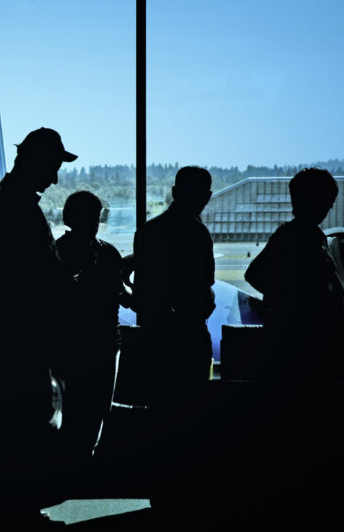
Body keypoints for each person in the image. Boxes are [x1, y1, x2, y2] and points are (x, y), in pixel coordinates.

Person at [243, 168, 344, 519]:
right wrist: (298, 303)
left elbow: (256, 275)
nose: (326, 207)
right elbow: (256, 275)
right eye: (324, 200)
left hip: (300, 344)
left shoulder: (302, 235)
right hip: (303, 347)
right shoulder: (299, 237)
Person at [0, 127, 77, 522]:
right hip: (27, 326)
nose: (54, 178)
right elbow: (39, 276)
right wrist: (75, 287)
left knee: (15, 412)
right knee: (27, 413)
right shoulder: (18, 205)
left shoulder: (1, 198)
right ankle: (19, 507)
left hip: (11, 320)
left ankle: (11, 502)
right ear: (36, 161)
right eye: (53, 167)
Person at [131, 165, 214, 514]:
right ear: (205, 197)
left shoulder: (150, 231)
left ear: (173, 191)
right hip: (188, 337)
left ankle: (161, 489)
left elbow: (144, 294)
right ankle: (185, 489)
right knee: (191, 415)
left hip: (157, 338)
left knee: (161, 414)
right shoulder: (197, 233)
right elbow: (203, 291)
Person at [55, 191, 130, 466]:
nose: (94, 223)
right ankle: (83, 461)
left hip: (76, 343)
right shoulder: (107, 252)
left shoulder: (57, 251)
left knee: (78, 407)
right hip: (102, 342)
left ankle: (74, 462)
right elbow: (122, 293)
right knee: (96, 408)